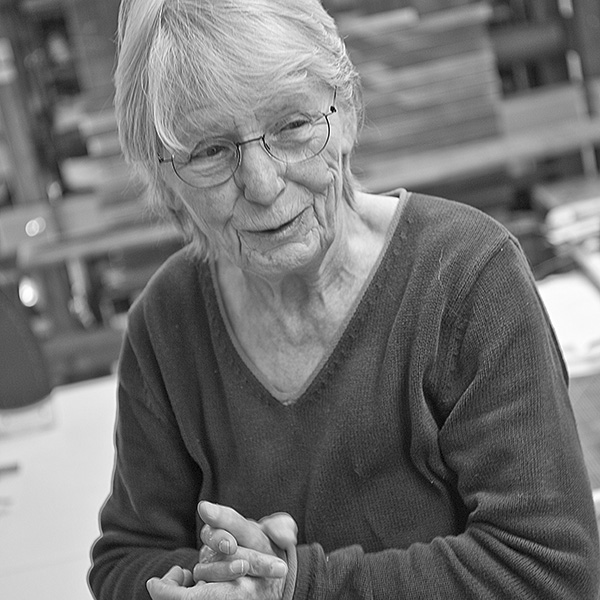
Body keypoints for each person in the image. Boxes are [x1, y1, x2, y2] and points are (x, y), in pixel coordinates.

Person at [88, 0, 600, 598]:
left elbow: (552, 570)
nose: (263, 184)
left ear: (348, 112)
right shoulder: (167, 322)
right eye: (209, 151)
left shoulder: (467, 278)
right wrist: (203, 584)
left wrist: (297, 586)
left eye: (292, 126)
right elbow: (126, 558)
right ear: (165, 178)